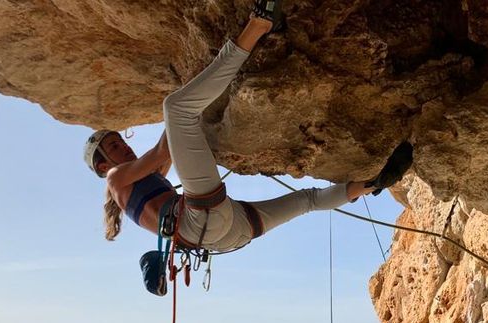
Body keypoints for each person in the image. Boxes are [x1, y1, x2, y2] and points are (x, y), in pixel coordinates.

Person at [82, 0, 412, 253]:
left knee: (307, 201)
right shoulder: (115, 179)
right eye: (114, 147)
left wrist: (184, 103)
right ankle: (259, 24)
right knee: (176, 107)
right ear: (103, 166)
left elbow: (169, 151)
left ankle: (372, 183)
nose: (124, 146)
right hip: (203, 219)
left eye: (120, 140)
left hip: (228, 234)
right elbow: (160, 152)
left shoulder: (141, 184)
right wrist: (184, 88)